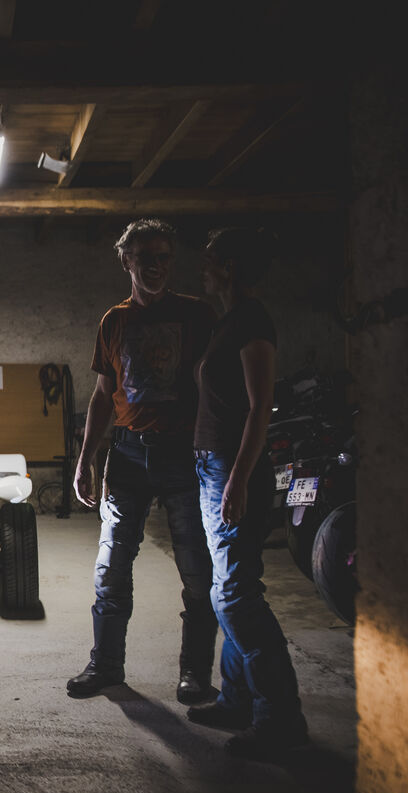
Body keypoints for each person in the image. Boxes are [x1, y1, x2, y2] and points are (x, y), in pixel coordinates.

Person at [67, 218, 219, 702]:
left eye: (163, 257)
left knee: (197, 572)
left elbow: (218, 387)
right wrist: (86, 458)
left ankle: (194, 673)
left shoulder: (198, 315)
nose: (155, 266)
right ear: (125, 260)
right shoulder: (114, 321)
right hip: (128, 455)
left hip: (184, 456)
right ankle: (106, 666)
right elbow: (102, 395)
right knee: (111, 568)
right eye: (145, 257)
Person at [185, 227, 308, 757]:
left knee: (236, 594)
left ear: (230, 267)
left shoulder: (253, 321)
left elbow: (260, 408)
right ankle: (236, 699)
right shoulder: (230, 321)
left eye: (209, 259)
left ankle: (280, 719)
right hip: (213, 466)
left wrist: (236, 477)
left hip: (232, 471)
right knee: (226, 587)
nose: (202, 268)